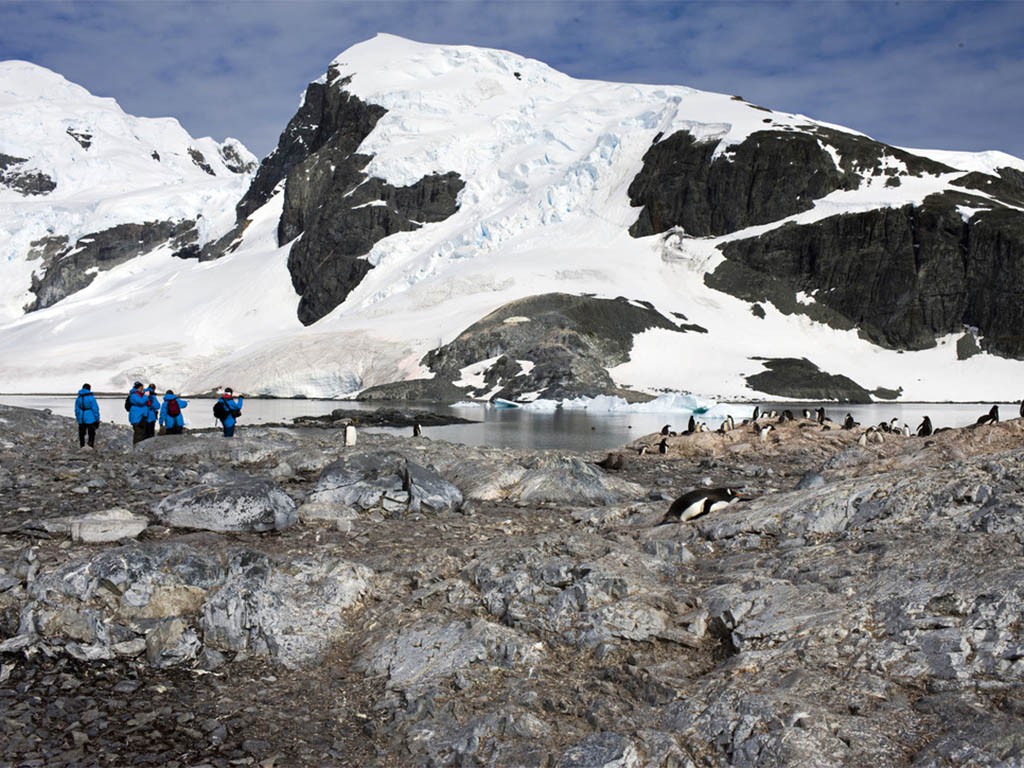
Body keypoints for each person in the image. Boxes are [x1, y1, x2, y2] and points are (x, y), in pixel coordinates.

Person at [74, 383, 100, 448]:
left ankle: (82, 445)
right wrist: (97, 419)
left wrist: (78, 417)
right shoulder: (91, 398)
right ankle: (90, 445)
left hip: (81, 417)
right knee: (91, 433)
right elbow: (95, 409)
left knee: (81, 433)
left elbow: (76, 409)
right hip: (90, 418)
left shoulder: (78, 398)